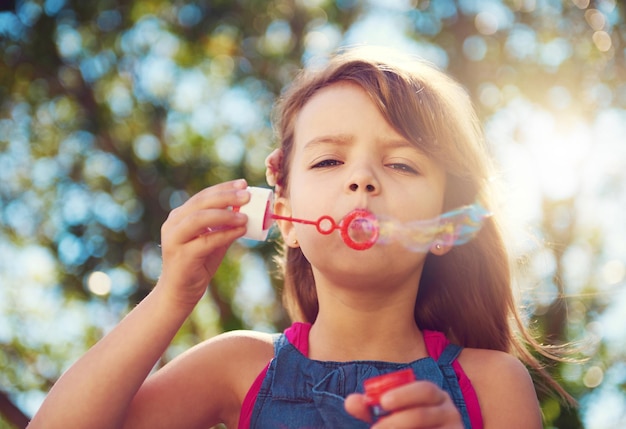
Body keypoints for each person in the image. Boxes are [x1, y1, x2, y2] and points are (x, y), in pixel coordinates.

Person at [29, 46, 573, 429]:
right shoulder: (237, 366)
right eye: (330, 159)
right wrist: (172, 296)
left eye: (402, 165)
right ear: (284, 216)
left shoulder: (493, 382)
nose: (361, 179)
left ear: (444, 226)